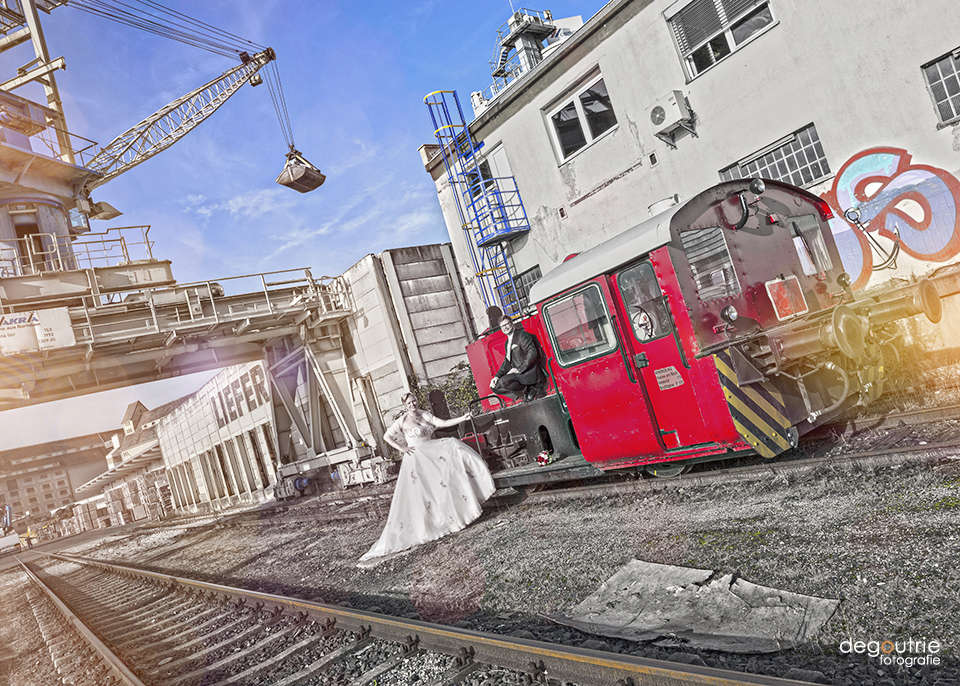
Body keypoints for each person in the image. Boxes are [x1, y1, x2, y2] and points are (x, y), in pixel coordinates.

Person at [358, 392, 496, 567]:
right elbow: (387, 436)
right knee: (424, 495)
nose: (412, 404)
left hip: (432, 453)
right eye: (408, 402)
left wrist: (463, 417)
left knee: (447, 471)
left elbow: (443, 423)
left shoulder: (425, 415)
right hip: (415, 458)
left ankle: (452, 517)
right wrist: (402, 447)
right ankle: (430, 524)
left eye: (414, 401)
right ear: (404, 405)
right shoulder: (401, 421)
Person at [489, 316, 544, 401]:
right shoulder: (507, 342)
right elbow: (507, 362)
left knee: (503, 382)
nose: (505, 327)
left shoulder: (522, 335)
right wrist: (496, 376)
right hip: (519, 375)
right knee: (494, 386)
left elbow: (532, 353)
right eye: (502, 326)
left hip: (528, 372)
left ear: (512, 323)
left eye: (507, 324)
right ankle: (522, 395)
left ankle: (532, 388)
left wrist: (519, 369)